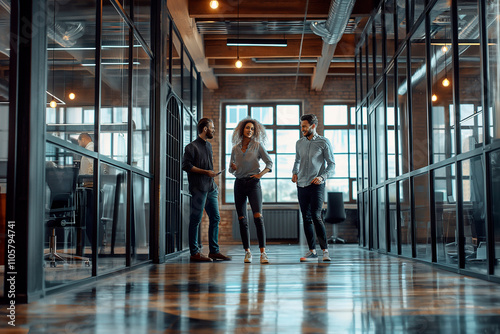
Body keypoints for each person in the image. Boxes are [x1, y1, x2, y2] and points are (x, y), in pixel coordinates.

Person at [182, 118, 231, 262]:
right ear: (205, 129)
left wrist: (212, 175)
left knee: (215, 218)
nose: (214, 130)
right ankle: (194, 253)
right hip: (199, 189)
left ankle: (214, 251)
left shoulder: (208, 146)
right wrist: (205, 172)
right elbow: (186, 166)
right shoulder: (191, 147)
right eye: (212, 127)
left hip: (211, 188)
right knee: (195, 220)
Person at [292, 114, 335, 262]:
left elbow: (332, 165)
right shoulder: (299, 143)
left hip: (317, 184)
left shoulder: (324, 142)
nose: (302, 129)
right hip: (301, 184)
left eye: (304, 126)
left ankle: (325, 251)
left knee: (316, 216)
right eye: (301, 126)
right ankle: (312, 251)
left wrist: (322, 177)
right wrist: (294, 173)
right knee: (306, 218)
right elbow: (297, 160)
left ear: (313, 126)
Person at [229, 117, 272, 264]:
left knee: (258, 217)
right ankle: (247, 252)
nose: (250, 130)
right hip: (239, 184)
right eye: (247, 128)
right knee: (242, 219)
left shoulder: (258, 146)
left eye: (252, 129)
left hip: (254, 184)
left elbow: (269, 163)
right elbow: (230, 168)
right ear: (242, 130)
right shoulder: (235, 149)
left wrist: (260, 175)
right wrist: (233, 168)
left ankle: (263, 253)